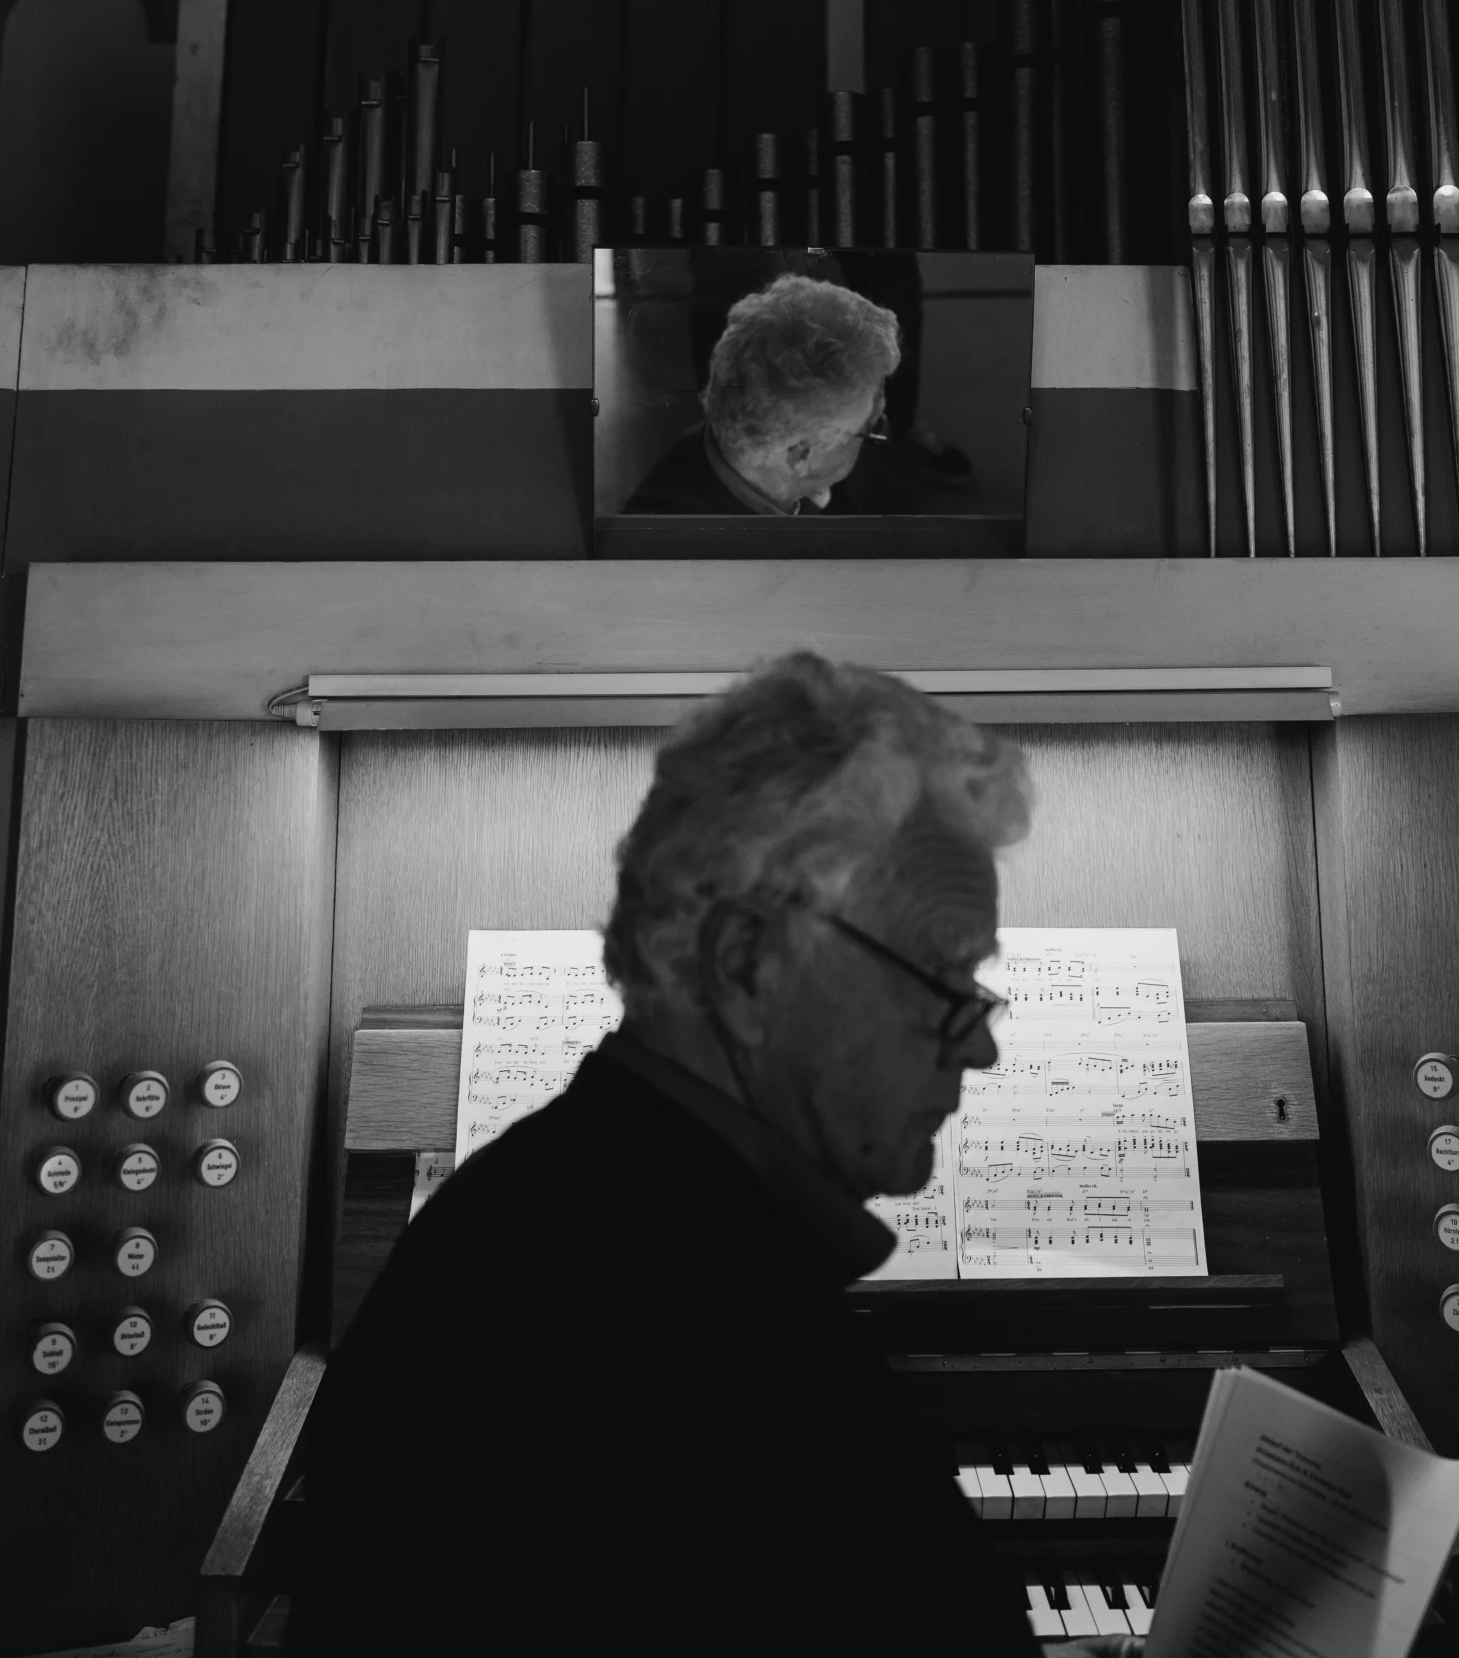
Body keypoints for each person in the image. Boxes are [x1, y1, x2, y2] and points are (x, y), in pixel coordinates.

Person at [290, 653, 1062, 1657]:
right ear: (746, 965)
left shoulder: (620, 1205)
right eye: (946, 979)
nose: (984, 1042)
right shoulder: (653, 1295)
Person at [625, 269, 904, 514]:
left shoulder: (731, 449)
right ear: (799, 455)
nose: (874, 439)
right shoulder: (687, 553)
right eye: (870, 426)